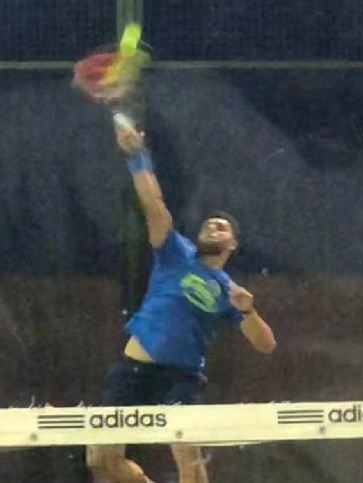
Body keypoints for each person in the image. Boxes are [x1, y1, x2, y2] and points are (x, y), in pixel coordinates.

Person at [86, 121, 277, 483]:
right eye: (208, 224)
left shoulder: (229, 291)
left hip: (180, 378)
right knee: (101, 458)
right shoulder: (176, 252)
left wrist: (248, 310)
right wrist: (137, 155)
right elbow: (153, 204)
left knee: (189, 460)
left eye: (222, 227)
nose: (212, 228)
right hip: (133, 370)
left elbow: (266, 344)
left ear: (232, 244)